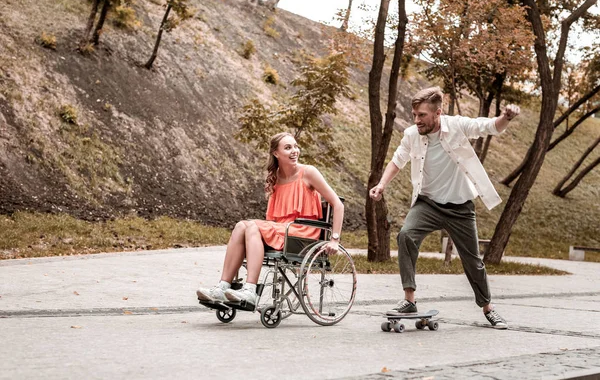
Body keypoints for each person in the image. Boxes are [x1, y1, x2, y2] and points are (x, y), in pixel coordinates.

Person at [369, 86, 520, 329]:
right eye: (415, 115)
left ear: (438, 113)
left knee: (473, 261)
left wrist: (506, 117)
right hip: (427, 204)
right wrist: (381, 184)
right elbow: (398, 160)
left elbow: (490, 127)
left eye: (422, 116)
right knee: (406, 236)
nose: (416, 120)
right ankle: (409, 300)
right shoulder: (411, 135)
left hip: (459, 208)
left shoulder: (457, 125)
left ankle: (488, 308)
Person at [196, 132, 344, 307]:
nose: (294, 151)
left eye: (295, 146)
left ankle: (250, 291)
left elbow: (337, 204)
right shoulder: (276, 177)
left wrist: (334, 239)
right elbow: (272, 219)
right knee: (240, 226)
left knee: (252, 227)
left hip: (302, 232)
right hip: (283, 229)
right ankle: (223, 286)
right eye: (288, 147)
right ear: (276, 153)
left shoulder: (308, 172)